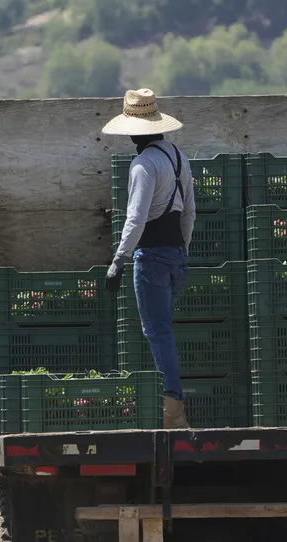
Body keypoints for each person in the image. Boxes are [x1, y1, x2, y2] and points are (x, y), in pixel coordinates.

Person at [102, 88, 196, 429]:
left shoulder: (143, 165)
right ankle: (169, 404)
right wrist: (182, 250)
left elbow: (136, 218)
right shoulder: (178, 157)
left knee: (157, 332)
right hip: (175, 254)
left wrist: (118, 261)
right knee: (163, 329)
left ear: (131, 131)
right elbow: (189, 212)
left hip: (152, 256)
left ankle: (173, 411)